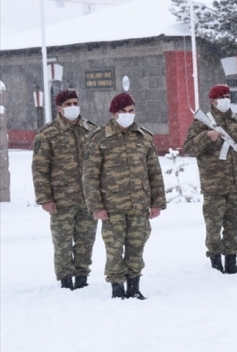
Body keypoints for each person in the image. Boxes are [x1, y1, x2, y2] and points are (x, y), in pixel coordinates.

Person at [82, 93, 166, 299]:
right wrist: (96, 206)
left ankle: (134, 288)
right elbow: (90, 176)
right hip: (112, 206)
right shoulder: (99, 138)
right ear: (114, 114)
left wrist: (157, 202)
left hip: (139, 204)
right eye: (123, 111)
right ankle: (117, 290)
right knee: (114, 248)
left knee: (137, 246)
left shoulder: (144, 137)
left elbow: (154, 172)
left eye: (131, 111)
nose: (128, 115)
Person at [31, 89, 99, 290]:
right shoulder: (48, 134)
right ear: (59, 108)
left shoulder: (91, 130)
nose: (72, 107)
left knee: (86, 241)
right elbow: (40, 169)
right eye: (68, 104)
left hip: (88, 199)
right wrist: (45, 198)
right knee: (62, 243)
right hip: (61, 200)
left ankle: (82, 278)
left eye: (75, 103)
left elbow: (100, 165)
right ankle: (66, 281)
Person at [183, 84, 237, 274]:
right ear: (212, 101)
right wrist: (206, 136)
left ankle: (231, 261)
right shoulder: (202, 123)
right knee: (213, 227)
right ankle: (215, 263)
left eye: (227, 96)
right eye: (221, 97)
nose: (225, 100)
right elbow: (188, 149)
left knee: (233, 226)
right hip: (214, 185)